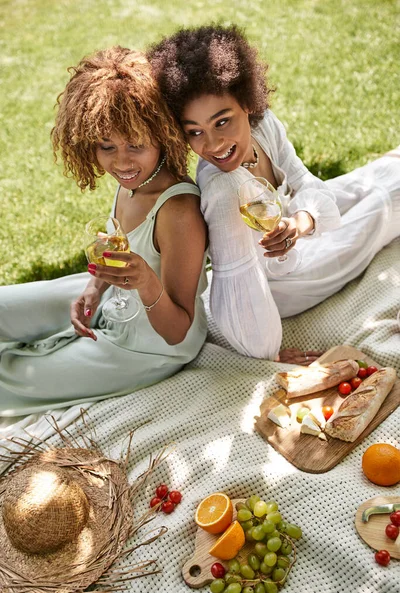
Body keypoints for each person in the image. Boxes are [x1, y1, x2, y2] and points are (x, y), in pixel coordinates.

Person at [148, 25, 400, 364]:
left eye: (222, 122)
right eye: (194, 132)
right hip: (284, 283)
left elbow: (307, 183)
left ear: (247, 105)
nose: (212, 145)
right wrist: (268, 353)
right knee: (383, 206)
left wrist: (302, 221)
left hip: (294, 231)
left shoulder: (264, 126)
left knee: (365, 182)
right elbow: (236, 290)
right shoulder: (224, 188)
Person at [0, 46, 208, 417]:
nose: (121, 162)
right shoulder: (132, 180)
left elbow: (177, 330)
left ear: (162, 134)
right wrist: (94, 287)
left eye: (135, 145)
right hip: (115, 300)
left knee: (10, 377)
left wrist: (146, 281)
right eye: (106, 146)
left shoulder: (178, 211)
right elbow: (118, 251)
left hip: (150, 344)